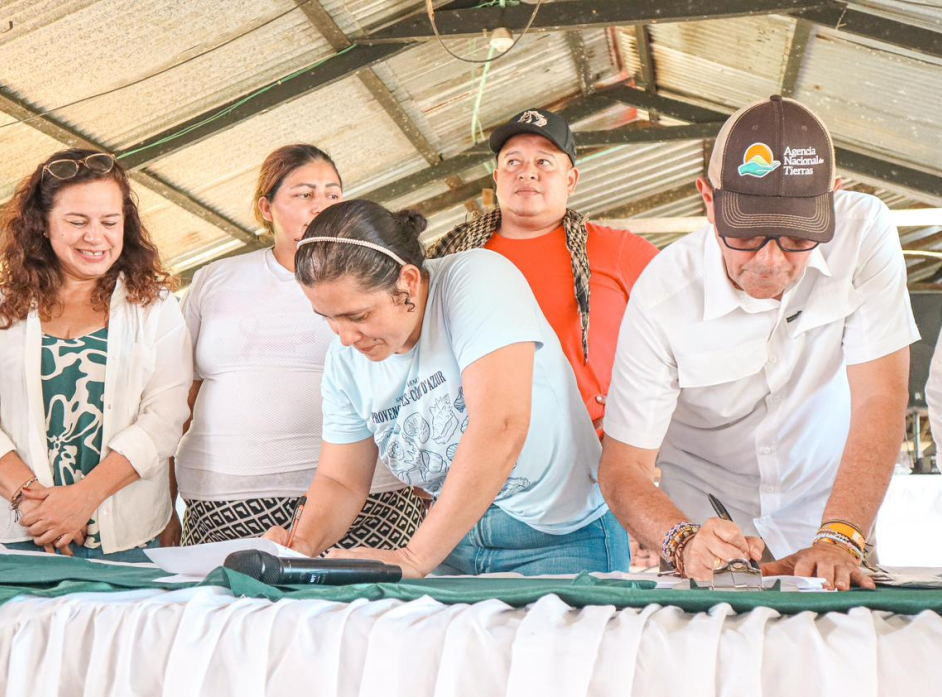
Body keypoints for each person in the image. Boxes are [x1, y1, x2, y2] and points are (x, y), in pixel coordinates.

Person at [598, 95, 919, 590]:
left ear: (832, 201)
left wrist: (841, 536)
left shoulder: (863, 234)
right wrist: (681, 542)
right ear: (708, 201)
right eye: (746, 236)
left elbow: (880, 396)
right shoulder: (662, 295)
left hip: (835, 515)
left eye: (797, 238)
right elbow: (624, 467)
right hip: (710, 529)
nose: (770, 261)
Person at [264, 199, 628, 577]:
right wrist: (301, 543)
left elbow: (500, 426)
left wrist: (414, 558)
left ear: (407, 281)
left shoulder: (478, 278)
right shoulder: (345, 361)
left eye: (359, 315)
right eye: (329, 318)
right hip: (454, 544)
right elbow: (341, 481)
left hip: (561, 538)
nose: (345, 337)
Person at [173, 145, 425, 548]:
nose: (320, 206)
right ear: (266, 207)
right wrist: (164, 504)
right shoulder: (214, 279)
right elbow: (178, 397)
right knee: (228, 591)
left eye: (332, 194)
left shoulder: (380, 280)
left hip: (372, 497)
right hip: (223, 501)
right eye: (304, 194)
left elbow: (419, 376)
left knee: (373, 590)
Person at [0, 149, 192, 561]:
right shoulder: (4, 306)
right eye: (77, 222)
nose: (95, 237)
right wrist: (30, 501)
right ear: (42, 225)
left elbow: (165, 419)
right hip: (19, 530)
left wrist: (82, 499)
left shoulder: (155, 307)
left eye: (109, 222)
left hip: (127, 538)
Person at [427, 108, 659, 437]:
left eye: (544, 162)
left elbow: (688, 331)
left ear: (570, 180)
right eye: (513, 162)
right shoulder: (451, 261)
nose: (527, 173)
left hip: (603, 448)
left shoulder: (620, 250)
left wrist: (643, 410)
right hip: (487, 447)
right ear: (497, 179)